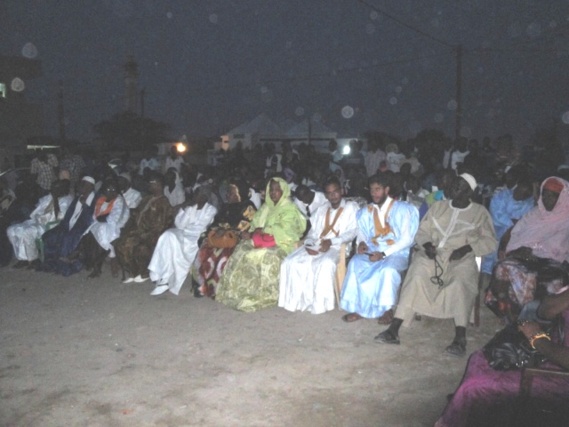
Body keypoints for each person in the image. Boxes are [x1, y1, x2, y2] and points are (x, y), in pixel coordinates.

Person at [376, 173, 497, 356]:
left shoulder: (480, 213)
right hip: (433, 254)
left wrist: (466, 249)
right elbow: (421, 232)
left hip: (461, 258)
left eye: (461, 186)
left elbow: (490, 241)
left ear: (470, 192)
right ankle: (394, 329)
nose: (455, 188)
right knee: (416, 273)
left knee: (459, 283)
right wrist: (426, 245)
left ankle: (460, 338)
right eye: (455, 183)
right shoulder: (438, 207)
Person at [435, 286, 569, 427]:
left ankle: (468, 405)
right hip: (553, 350)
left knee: (475, 384)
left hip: (559, 374)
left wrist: (537, 339)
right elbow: (545, 311)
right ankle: (467, 406)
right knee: (482, 358)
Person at [216, 177, 306, 312]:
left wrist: (264, 230)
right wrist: (250, 232)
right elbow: (254, 224)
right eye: (271, 190)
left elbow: (287, 229)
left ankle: (263, 294)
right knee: (242, 249)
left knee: (265, 256)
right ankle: (238, 291)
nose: (273, 193)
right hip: (261, 239)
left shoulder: (289, 208)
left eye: (277, 190)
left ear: (284, 191)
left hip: (282, 243)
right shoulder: (266, 206)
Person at [340, 173, 420, 323]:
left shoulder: (403, 209)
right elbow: (362, 233)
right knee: (355, 264)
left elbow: (407, 239)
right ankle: (359, 308)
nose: (374, 193)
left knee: (387, 271)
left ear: (386, 189)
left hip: (397, 252)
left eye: (377, 189)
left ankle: (386, 309)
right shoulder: (366, 211)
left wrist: (384, 254)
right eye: (371, 190)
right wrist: (362, 243)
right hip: (372, 249)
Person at [488, 177, 569, 315]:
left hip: (553, 262)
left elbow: (560, 246)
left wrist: (535, 250)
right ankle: (507, 307)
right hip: (524, 256)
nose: (546, 199)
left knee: (527, 276)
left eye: (552, 196)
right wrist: (516, 249)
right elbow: (515, 233)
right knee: (504, 267)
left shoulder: (566, 218)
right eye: (544, 194)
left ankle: (524, 316)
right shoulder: (535, 213)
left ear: (562, 197)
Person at [279, 176, 358, 314]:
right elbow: (312, 233)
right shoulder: (321, 209)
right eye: (329, 193)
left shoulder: (351, 207)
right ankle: (296, 301)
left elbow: (352, 232)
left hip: (337, 247)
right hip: (318, 244)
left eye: (335, 191)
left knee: (323, 264)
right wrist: (310, 245)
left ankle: (320, 304)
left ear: (341, 191)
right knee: (290, 262)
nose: (333, 195)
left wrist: (331, 242)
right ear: (325, 195)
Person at [191, 180, 257, 298]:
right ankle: (201, 285)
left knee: (221, 254)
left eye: (231, 193)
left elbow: (246, 225)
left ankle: (218, 288)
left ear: (239, 193)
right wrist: (215, 231)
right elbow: (216, 222)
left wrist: (226, 231)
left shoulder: (248, 206)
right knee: (205, 246)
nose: (227, 195)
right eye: (228, 192)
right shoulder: (226, 206)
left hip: (236, 238)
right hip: (221, 237)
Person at [148, 186, 217, 296]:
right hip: (183, 232)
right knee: (167, 234)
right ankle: (161, 274)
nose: (195, 197)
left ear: (204, 197)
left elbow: (199, 227)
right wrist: (185, 210)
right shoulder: (191, 208)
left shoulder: (211, 210)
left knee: (173, 240)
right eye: (196, 194)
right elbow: (179, 225)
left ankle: (165, 279)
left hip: (196, 237)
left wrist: (188, 223)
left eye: (198, 195)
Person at [115, 173, 173, 283]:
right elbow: (137, 213)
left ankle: (144, 272)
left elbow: (161, 225)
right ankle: (134, 272)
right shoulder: (146, 198)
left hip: (152, 234)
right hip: (138, 231)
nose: (149, 186)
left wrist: (143, 233)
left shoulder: (164, 202)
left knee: (138, 247)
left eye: (152, 184)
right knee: (120, 244)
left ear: (158, 185)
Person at [7, 179, 72, 269]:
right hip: (36, 221)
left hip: (49, 225)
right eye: (52, 188)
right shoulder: (49, 197)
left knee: (27, 232)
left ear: (62, 189)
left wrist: (56, 200)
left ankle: (33, 260)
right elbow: (37, 209)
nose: (52, 190)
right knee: (11, 230)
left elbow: (60, 218)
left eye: (55, 188)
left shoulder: (67, 200)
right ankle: (22, 258)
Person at [39, 176, 97, 276]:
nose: (80, 186)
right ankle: (51, 264)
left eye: (84, 184)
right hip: (68, 225)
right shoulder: (77, 198)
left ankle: (66, 268)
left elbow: (92, 218)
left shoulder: (96, 199)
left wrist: (85, 205)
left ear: (91, 187)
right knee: (49, 236)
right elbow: (68, 216)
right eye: (81, 183)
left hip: (84, 227)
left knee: (68, 238)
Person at [480, 177, 534, 275]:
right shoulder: (502, 195)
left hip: (513, 234)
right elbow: (496, 214)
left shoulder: (528, 204)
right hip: (494, 228)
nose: (519, 194)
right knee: (488, 252)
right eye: (519, 190)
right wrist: (512, 222)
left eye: (523, 194)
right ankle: (485, 272)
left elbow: (524, 220)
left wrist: (513, 225)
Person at [80, 180, 129, 278]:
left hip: (116, 228)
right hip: (100, 226)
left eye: (113, 189)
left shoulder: (119, 200)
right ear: (103, 191)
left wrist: (102, 218)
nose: (111, 192)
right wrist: (101, 218)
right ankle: (95, 265)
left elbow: (114, 219)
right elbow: (95, 216)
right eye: (108, 189)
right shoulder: (101, 200)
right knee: (91, 235)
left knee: (100, 234)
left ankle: (99, 265)